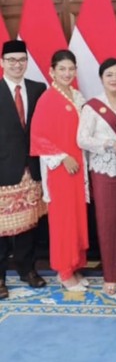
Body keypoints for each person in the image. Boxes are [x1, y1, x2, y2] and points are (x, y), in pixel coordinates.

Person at [30, 49, 89, 292]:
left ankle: (74, 265)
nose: (67, 73)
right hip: (60, 170)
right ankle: (64, 272)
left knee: (76, 217)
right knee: (63, 220)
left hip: (78, 168)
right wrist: (63, 157)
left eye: (71, 69)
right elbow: (38, 137)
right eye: (62, 69)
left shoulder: (76, 95)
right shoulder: (48, 98)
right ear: (52, 71)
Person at [77, 57, 116, 295]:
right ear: (101, 78)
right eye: (109, 74)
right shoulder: (92, 106)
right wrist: (112, 144)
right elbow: (82, 139)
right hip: (105, 170)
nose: (114, 79)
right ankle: (110, 275)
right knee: (108, 221)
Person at [0, 39, 47, 298]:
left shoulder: (38, 88)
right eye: (11, 60)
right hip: (3, 170)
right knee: (1, 228)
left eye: (21, 60)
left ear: (27, 62)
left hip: (32, 168)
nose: (17, 65)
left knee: (29, 224)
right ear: (2, 63)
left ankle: (28, 270)